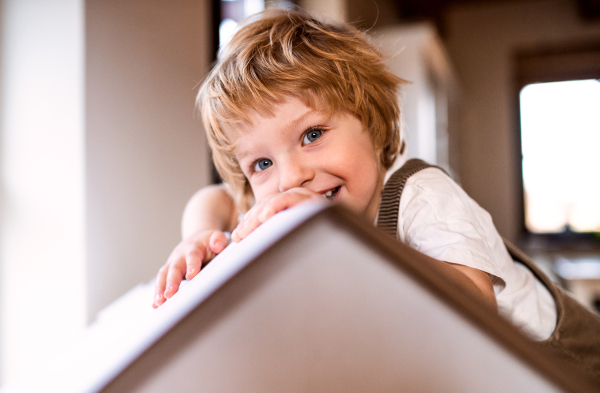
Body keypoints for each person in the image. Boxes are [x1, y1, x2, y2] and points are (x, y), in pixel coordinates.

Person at [152, 8, 600, 383]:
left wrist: (338, 236)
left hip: (564, 372)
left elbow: (471, 305)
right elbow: (213, 199)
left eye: (312, 134)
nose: (291, 177)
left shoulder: (420, 194)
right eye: (262, 164)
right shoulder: (274, 203)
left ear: (371, 123)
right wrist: (201, 237)